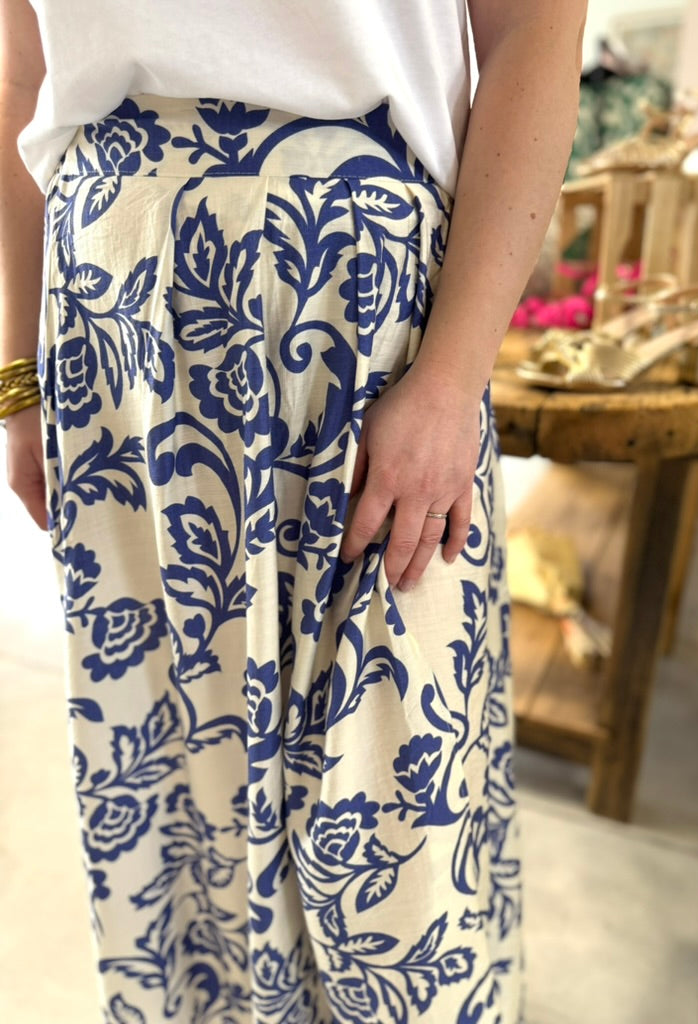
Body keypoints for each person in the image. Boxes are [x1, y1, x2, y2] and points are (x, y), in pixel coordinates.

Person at [1, 2, 585, 1021]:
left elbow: (535, 28)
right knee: (180, 797)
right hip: (113, 317)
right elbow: (18, 73)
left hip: (358, 314)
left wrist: (452, 378)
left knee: (394, 823)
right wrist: (19, 381)